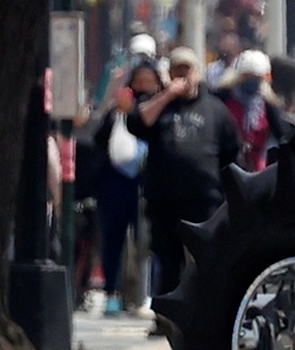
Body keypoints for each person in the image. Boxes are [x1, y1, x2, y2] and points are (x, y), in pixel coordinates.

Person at [130, 47, 240, 312]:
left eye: (187, 70)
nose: (182, 76)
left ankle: (206, 316)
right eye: (177, 71)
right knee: (167, 261)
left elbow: (231, 154)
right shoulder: (159, 105)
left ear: (197, 73)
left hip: (204, 201)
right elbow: (137, 123)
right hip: (164, 201)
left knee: (205, 262)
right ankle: (166, 318)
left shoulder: (216, 109)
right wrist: (168, 94)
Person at [87, 63, 157, 315]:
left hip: (145, 184)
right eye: (140, 82)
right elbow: (98, 138)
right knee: (113, 240)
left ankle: (143, 295)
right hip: (114, 184)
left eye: (150, 82)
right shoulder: (117, 112)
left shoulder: (158, 111)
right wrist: (117, 109)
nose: (144, 88)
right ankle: (112, 292)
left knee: (146, 242)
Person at [221, 48, 278, 172]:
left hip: (257, 168)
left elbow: (282, 134)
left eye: (257, 77)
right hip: (229, 166)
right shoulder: (224, 99)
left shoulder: (268, 106)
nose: (252, 80)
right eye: (247, 76)